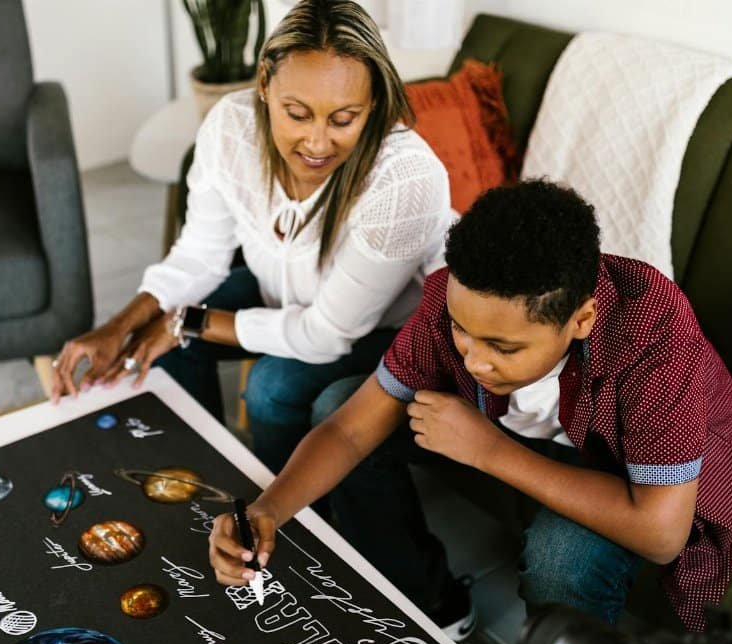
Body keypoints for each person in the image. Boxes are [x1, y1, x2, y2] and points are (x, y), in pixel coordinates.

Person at [207, 180, 732, 637]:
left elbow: (662, 529)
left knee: (559, 559)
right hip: (505, 433)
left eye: (504, 347)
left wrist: (487, 450)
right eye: (461, 332)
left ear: (582, 320)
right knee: (335, 401)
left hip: (628, 471)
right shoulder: (457, 293)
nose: (473, 360)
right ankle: (427, 602)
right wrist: (268, 509)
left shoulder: (655, 334)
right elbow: (351, 429)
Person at [49, 0, 452, 475]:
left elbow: (325, 335)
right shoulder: (230, 126)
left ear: (374, 103)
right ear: (264, 83)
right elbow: (201, 252)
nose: (318, 143)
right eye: (297, 114)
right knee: (161, 346)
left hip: (382, 328)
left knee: (270, 386)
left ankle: (285, 518)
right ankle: (201, 483)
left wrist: (188, 321)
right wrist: (118, 327)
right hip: (283, 294)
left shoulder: (403, 176)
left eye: (344, 119)